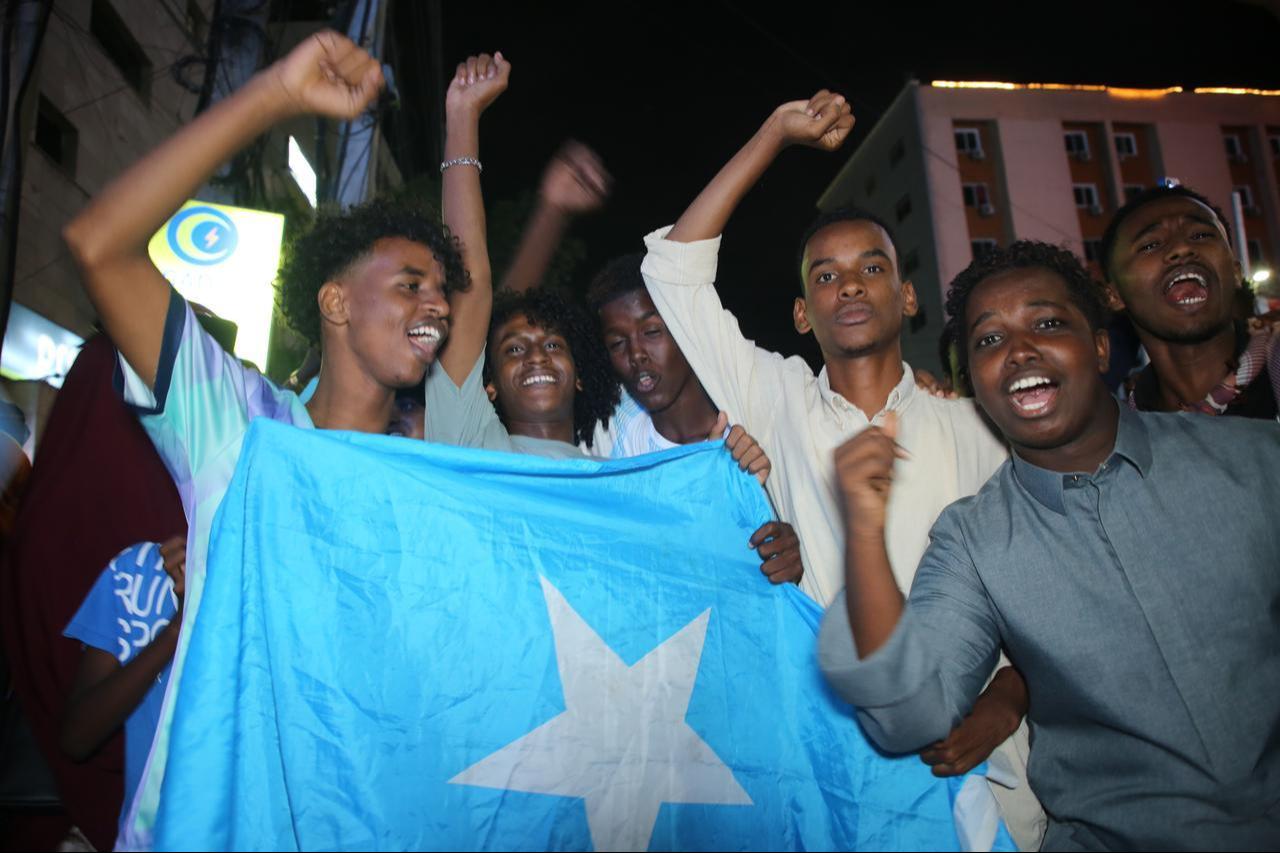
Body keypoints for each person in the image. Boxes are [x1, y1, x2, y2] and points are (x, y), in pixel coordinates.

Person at [61, 31, 464, 848]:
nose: (439, 306)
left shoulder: (427, 483)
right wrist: (276, 94)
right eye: (412, 284)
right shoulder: (240, 425)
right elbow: (99, 245)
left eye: (444, 292)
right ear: (337, 302)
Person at [639, 91, 1043, 845]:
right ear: (802, 314)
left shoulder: (976, 425)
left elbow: (1045, 593)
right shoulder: (777, 397)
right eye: (825, 275)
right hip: (838, 764)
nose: (849, 284)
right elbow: (673, 269)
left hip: (985, 765)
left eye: (871, 267)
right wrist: (773, 134)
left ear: (908, 293)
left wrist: (1011, 696)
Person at [819, 240, 1280, 849]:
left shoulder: (1254, 461)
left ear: (1098, 346)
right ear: (970, 381)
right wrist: (863, 533)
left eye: (1047, 323)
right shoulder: (972, 540)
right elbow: (909, 715)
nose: (1018, 351)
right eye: (988, 340)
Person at [1101, 183, 1279, 419]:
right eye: (1151, 244)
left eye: (1201, 235)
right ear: (1115, 296)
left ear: (1236, 273)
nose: (1183, 248)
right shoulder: (1128, 433)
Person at [60, 537, 184, 844]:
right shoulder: (142, 570)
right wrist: (176, 628)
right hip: (152, 835)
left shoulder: (291, 575)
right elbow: (77, 737)